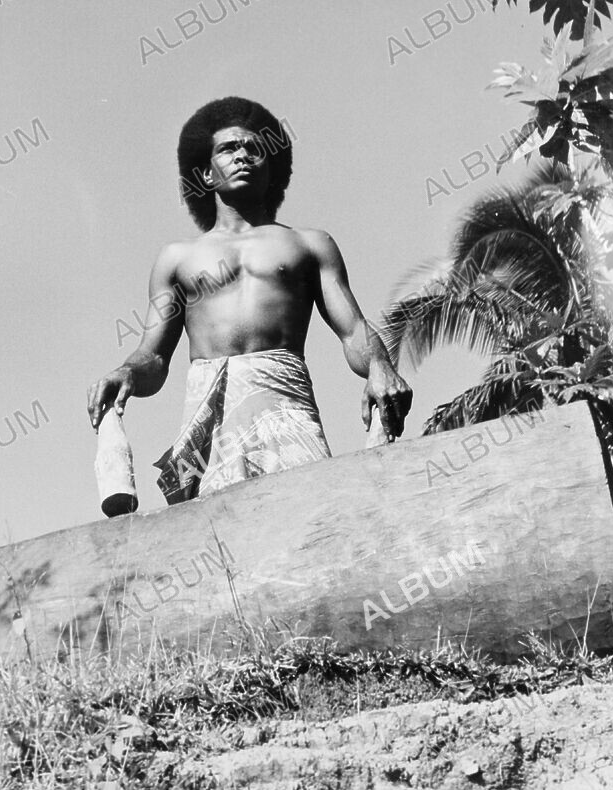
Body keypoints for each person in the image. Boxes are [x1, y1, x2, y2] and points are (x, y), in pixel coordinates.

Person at [87, 96, 412, 504]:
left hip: (285, 404)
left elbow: (353, 330)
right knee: (214, 533)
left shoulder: (309, 244)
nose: (243, 155)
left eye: (254, 149)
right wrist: (126, 373)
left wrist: (380, 365)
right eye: (229, 148)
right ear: (206, 173)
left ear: (270, 167)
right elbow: (153, 357)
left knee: (309, 513)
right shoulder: (177, 258)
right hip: (210, 412)